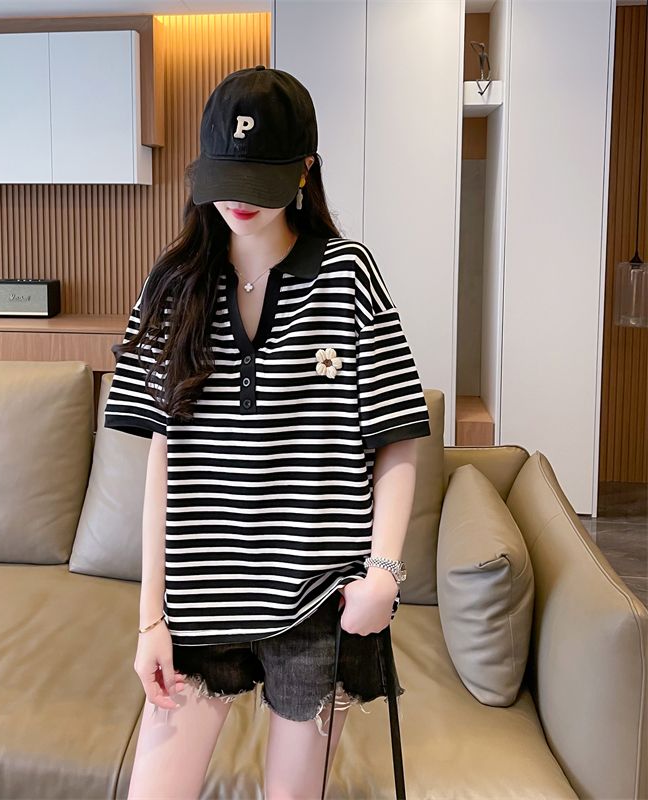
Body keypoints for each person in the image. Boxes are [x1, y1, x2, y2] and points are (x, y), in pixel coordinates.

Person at [104, 65, 431, 799]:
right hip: (199, 597)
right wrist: (150, 620)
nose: (240, 199)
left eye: (262, 179)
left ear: (305, 169)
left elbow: (395, 434)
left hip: (318, 597)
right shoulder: (173, 284)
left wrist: (384, 570)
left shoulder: (347, 275)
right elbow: (161, 459)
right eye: (227, 177)